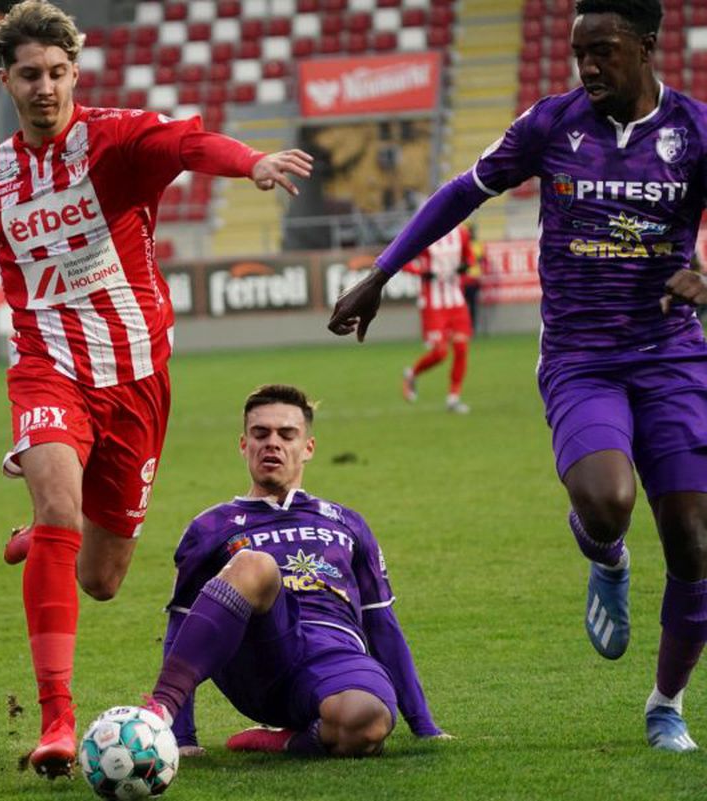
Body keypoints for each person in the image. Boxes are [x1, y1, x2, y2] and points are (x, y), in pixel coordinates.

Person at [0, 0, 314, 778]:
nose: (45, 88)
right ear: (5, 79)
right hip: (48, 366)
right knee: (60, 505)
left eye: (57, 73)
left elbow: (190, 141)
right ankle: (56, 719)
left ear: (76, 73)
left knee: (103, 578)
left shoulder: (117, 141)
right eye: (30, 75)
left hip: (136, 374)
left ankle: (43, 535)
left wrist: (251, 164)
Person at [328, 0, 707, 752]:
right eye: (579, 52)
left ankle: (666, 702)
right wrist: (380, 272)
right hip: (581, 354)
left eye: (604, 51)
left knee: (695, 544)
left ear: (647, 46)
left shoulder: (694, 130)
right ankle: (605, 553)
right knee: (607, 503)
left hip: (672, 355)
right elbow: (460, 193)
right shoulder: (551, 124)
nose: (588, 66)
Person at [143, 384, 446, 759]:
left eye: (287, 435)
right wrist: (182, 736)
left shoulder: (347, 523)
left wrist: (425, 727)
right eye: (260, 434)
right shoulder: (211, 526)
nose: (273, 443)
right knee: (256, 564)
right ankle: (156, 713)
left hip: (336, 655)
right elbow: (183, 627)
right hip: (258, 658)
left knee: (367, 724)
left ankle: (284, 741)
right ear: (243, 445)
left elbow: (381, 622)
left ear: (308, 448)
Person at [400, 223, 475, 413]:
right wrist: (423, 273)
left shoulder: (461, 233)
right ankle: (412, 373)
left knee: (461, 348)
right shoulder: (425, 230)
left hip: (456, 301)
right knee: (440, 353)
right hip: (433, 305)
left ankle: (453, 397)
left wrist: (465, 266)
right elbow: (403, 260)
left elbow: (470, 258)